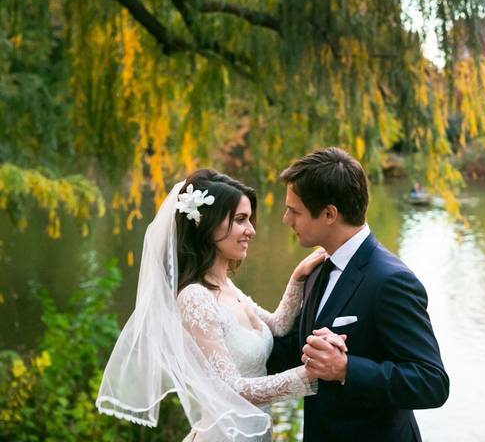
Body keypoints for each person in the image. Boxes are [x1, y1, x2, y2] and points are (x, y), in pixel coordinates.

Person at [97, 168, 346, 441]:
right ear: (206, 224)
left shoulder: (226, 286)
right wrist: (308, 373)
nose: (251, 230)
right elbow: (232, 390)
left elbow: (277, 326)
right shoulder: (195, 298)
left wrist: (296, 279)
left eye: (249, 220)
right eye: (240, 220)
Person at [267, 147, 449, 441]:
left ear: (329, 214)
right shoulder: (318, 268)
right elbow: (295, 352)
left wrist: (346, 369)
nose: (287, 219)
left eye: (294, 211)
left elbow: (431, 383)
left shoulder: (392, 281)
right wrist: (225, 325)